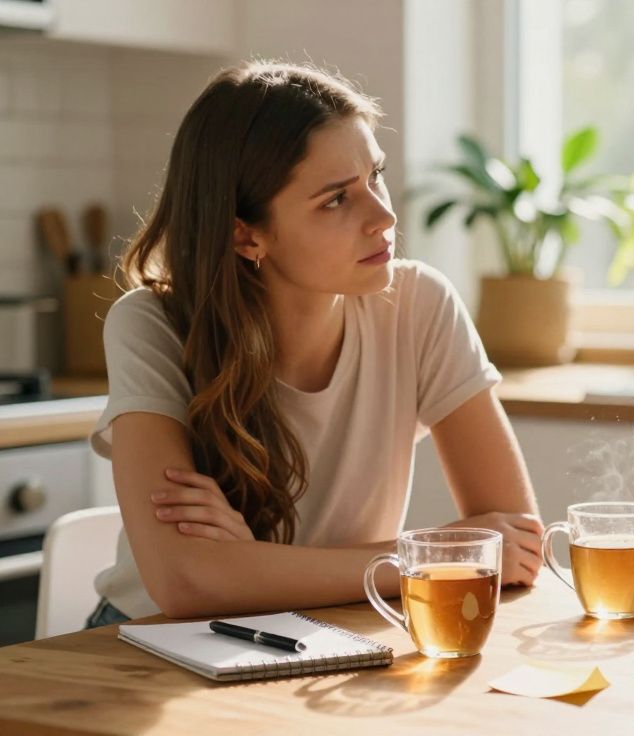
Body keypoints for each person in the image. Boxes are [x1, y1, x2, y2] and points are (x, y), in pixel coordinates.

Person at [85, 61, 543, 627]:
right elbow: (184, 582)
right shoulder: (153, 325)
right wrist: (420, 559)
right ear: (245, 234)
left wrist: (247, 566)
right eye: (336, 200)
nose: (383, 215)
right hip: (151, 646)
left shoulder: (418, 304)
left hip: (329, 632)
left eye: (375, 175)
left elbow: (516, 546)